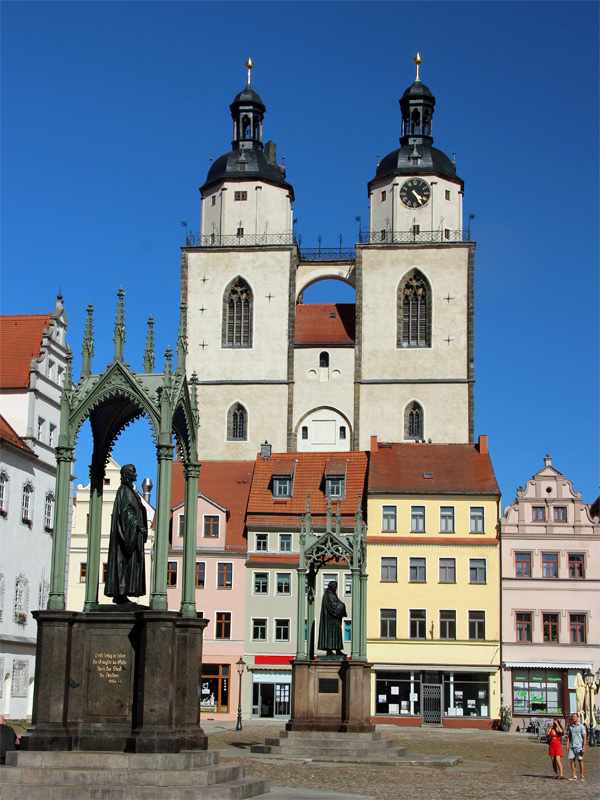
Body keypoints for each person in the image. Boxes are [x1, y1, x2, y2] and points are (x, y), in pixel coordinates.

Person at [104, 464, 148, 604]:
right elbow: (126, 512)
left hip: (132, 534)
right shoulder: (123, 491)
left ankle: (123, 594)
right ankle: (120, 593)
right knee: (122, 564)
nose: (136, 474)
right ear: (127, 474)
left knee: (129, 565)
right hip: (125, 536)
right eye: (133, 472)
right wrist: (137, 525)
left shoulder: (130, 491)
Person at [317, 580, 347, 656]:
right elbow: (334, 606)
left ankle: (337, 649)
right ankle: (329, 650)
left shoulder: (332, 594)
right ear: (333, 587)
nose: (336, 588)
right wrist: (342, 605)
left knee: (337, 634)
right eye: (335, 587)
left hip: (334, 620)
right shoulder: (329, 595)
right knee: (331, 635)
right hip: (330, 621)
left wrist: (341, 605)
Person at [567, 711, 586, 781]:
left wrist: (584, 746)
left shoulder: (581, 727)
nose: (573, 718)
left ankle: (582, 775)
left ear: (578, 717)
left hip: (579, 745)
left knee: (580, 760)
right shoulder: (571, 727)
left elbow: (584, 737)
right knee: (572, 760)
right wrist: (567, 744)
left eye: (574, 717)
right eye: (572, 717)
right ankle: (574, 775)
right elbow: (569, 736)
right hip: (572, 745)